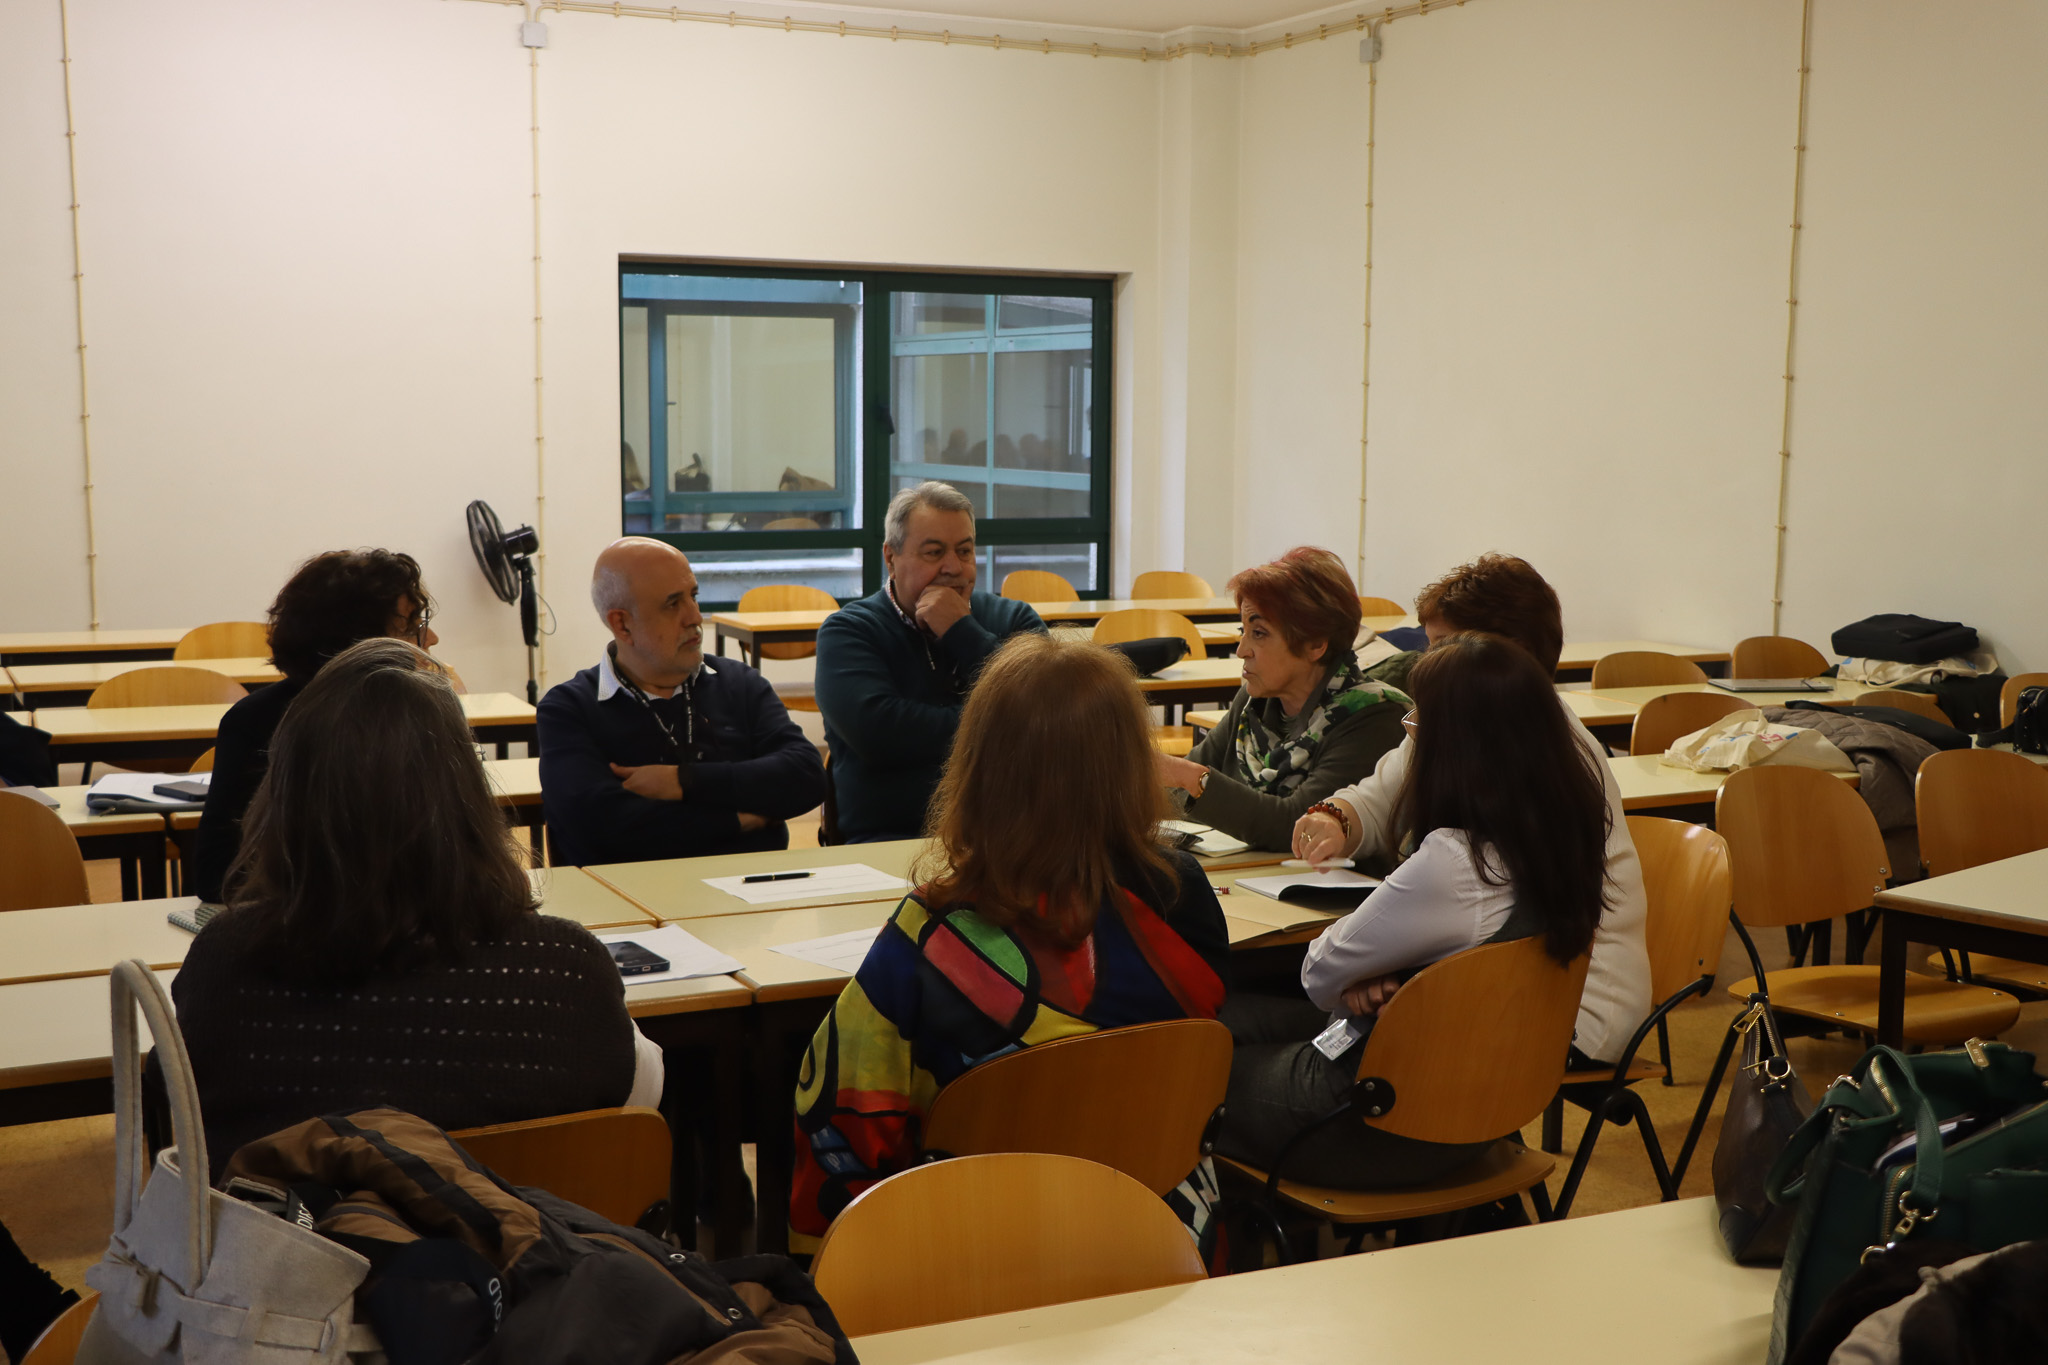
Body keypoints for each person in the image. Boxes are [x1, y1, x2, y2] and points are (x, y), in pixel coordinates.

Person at [790, 633, 1232, 1251]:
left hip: (980, 1253)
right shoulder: (1180, 895)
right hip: (1160, 1240)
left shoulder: (930, 932)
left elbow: (846, 1120)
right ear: (1131, 764)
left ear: (980, 767)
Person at [174, 638, 657, 1180]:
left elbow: (182, 1121)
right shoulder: (566, 965)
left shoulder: (225, 963)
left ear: (282, 795)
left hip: (292, 1235)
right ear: (468, 792)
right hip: (521, 1230)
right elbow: (638, 1095)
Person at [1218, 632, 1612, 1188]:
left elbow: (1319, 971)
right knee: (1228, 1020)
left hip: (1377, 1122)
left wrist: (1369, 972)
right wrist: (1392, 974)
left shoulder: (1456, 860)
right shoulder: (1562, 838)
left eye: (1418, 722)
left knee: (1187, 1064)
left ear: (1453, 746)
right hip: (1478, 1105)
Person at [1292, 553, 1651, 1067]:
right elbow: (1383, 791)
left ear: (1502, 656)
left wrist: (1394, 965)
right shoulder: (1474, 726)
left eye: (1445, 647)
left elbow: (1475, 899)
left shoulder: (1545, 756)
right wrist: (1338, 815)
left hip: (1573, 1009)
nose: (1427, 665)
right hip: (1504, 978)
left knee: (1321, 1026)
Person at [538, 538, 825, 866]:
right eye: (673, 604)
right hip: (629, 893)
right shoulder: (568, 708)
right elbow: (600, 825)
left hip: (752, 886)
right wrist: (738, 820)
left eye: (693, 596)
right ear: (622, 624)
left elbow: (806, 777)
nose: (695, 616)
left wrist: (682, 781)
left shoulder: (739, 683)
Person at [190, 548, 440, 906]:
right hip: (298, 925)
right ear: (358, 645)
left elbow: (457, 854)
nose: (431, 640)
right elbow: (218, 874)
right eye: (411, 630)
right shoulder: (256, 721)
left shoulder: (423, 715)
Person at [814, 481, 1044, 842]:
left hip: (1008, 840)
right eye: (934, 553)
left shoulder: (1015, 619)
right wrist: (1004, 726)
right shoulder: (848, 632)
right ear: (891, 558)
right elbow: (880, 736)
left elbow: (1049, 718)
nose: (953, 567)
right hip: (891, 841)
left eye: (964, 551)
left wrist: (962, 631)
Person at [1157, 547, 1409, 850]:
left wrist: (1191, 777)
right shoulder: (1254, 702)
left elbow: (1299, 826)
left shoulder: (1374, 716)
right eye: (1243, 630)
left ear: (1315, 644)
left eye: (1259, 633)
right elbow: (1173, 794)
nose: (1241, 650)